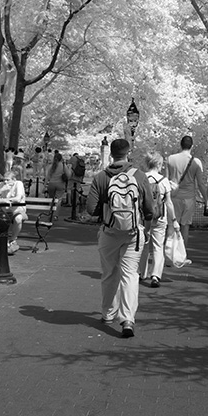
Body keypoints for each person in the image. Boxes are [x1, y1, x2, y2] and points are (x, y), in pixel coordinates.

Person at [86, 139, 155, 338]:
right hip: (133, 232)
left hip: (109, 232)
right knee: (130, 275)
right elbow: (150, 209)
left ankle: (108, 313)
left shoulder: (101, 177)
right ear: (128, 153)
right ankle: (127, 319)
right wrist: (145, 228)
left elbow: (91, 209)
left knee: (109, 273)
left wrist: (107, 209)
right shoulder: (139, 176)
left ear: (111, 154)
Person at [138, 151, 177, 288]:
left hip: (144, 217)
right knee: (158, 246)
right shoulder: (164, 181)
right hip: (159, 216)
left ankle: (142, 272)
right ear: (159, 164)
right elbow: (169, 202)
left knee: (143, 245)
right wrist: (174, 219)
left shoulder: (141, 178)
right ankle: (156, 275)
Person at [166, 136, 208, 245]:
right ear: (192, 146)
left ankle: (170, 252)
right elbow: (200, 184)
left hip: (173, 197)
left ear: (180, 145)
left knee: (172, 225)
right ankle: (183, 252)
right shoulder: (196, 162)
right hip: (189, 198)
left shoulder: (170, 159)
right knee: (185, 226)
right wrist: (206, 200)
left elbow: (166, 180)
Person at [0, 166, 27, 255]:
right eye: (4, 180)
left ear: (14, 179)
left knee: (18, 219)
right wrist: (1, 190)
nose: (5, 182)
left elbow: (18, 199)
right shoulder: (1, 185)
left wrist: (4, 200)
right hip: (4, 211)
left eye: (8, 180)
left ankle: (13, 239)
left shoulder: (18, 184)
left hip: (17, 209)